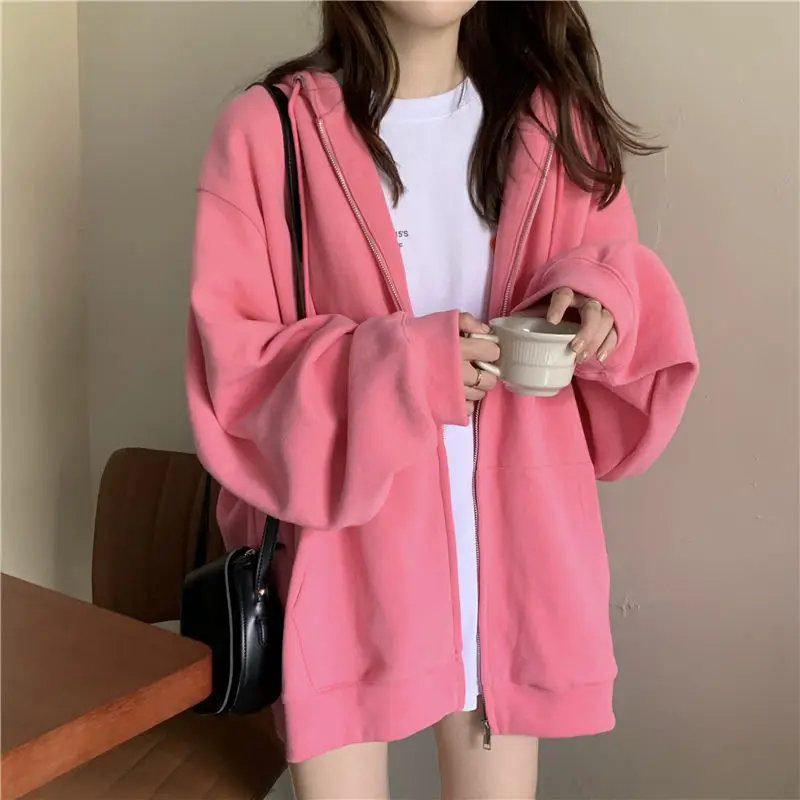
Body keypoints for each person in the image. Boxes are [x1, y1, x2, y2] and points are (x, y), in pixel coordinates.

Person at [186, 1, 698, 797]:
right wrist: (406, 368)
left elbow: (618, 277)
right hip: (344, 569)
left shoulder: (555, 128)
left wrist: (602, 300)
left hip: (515, 574)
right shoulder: (268, 132)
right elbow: (238, 376)